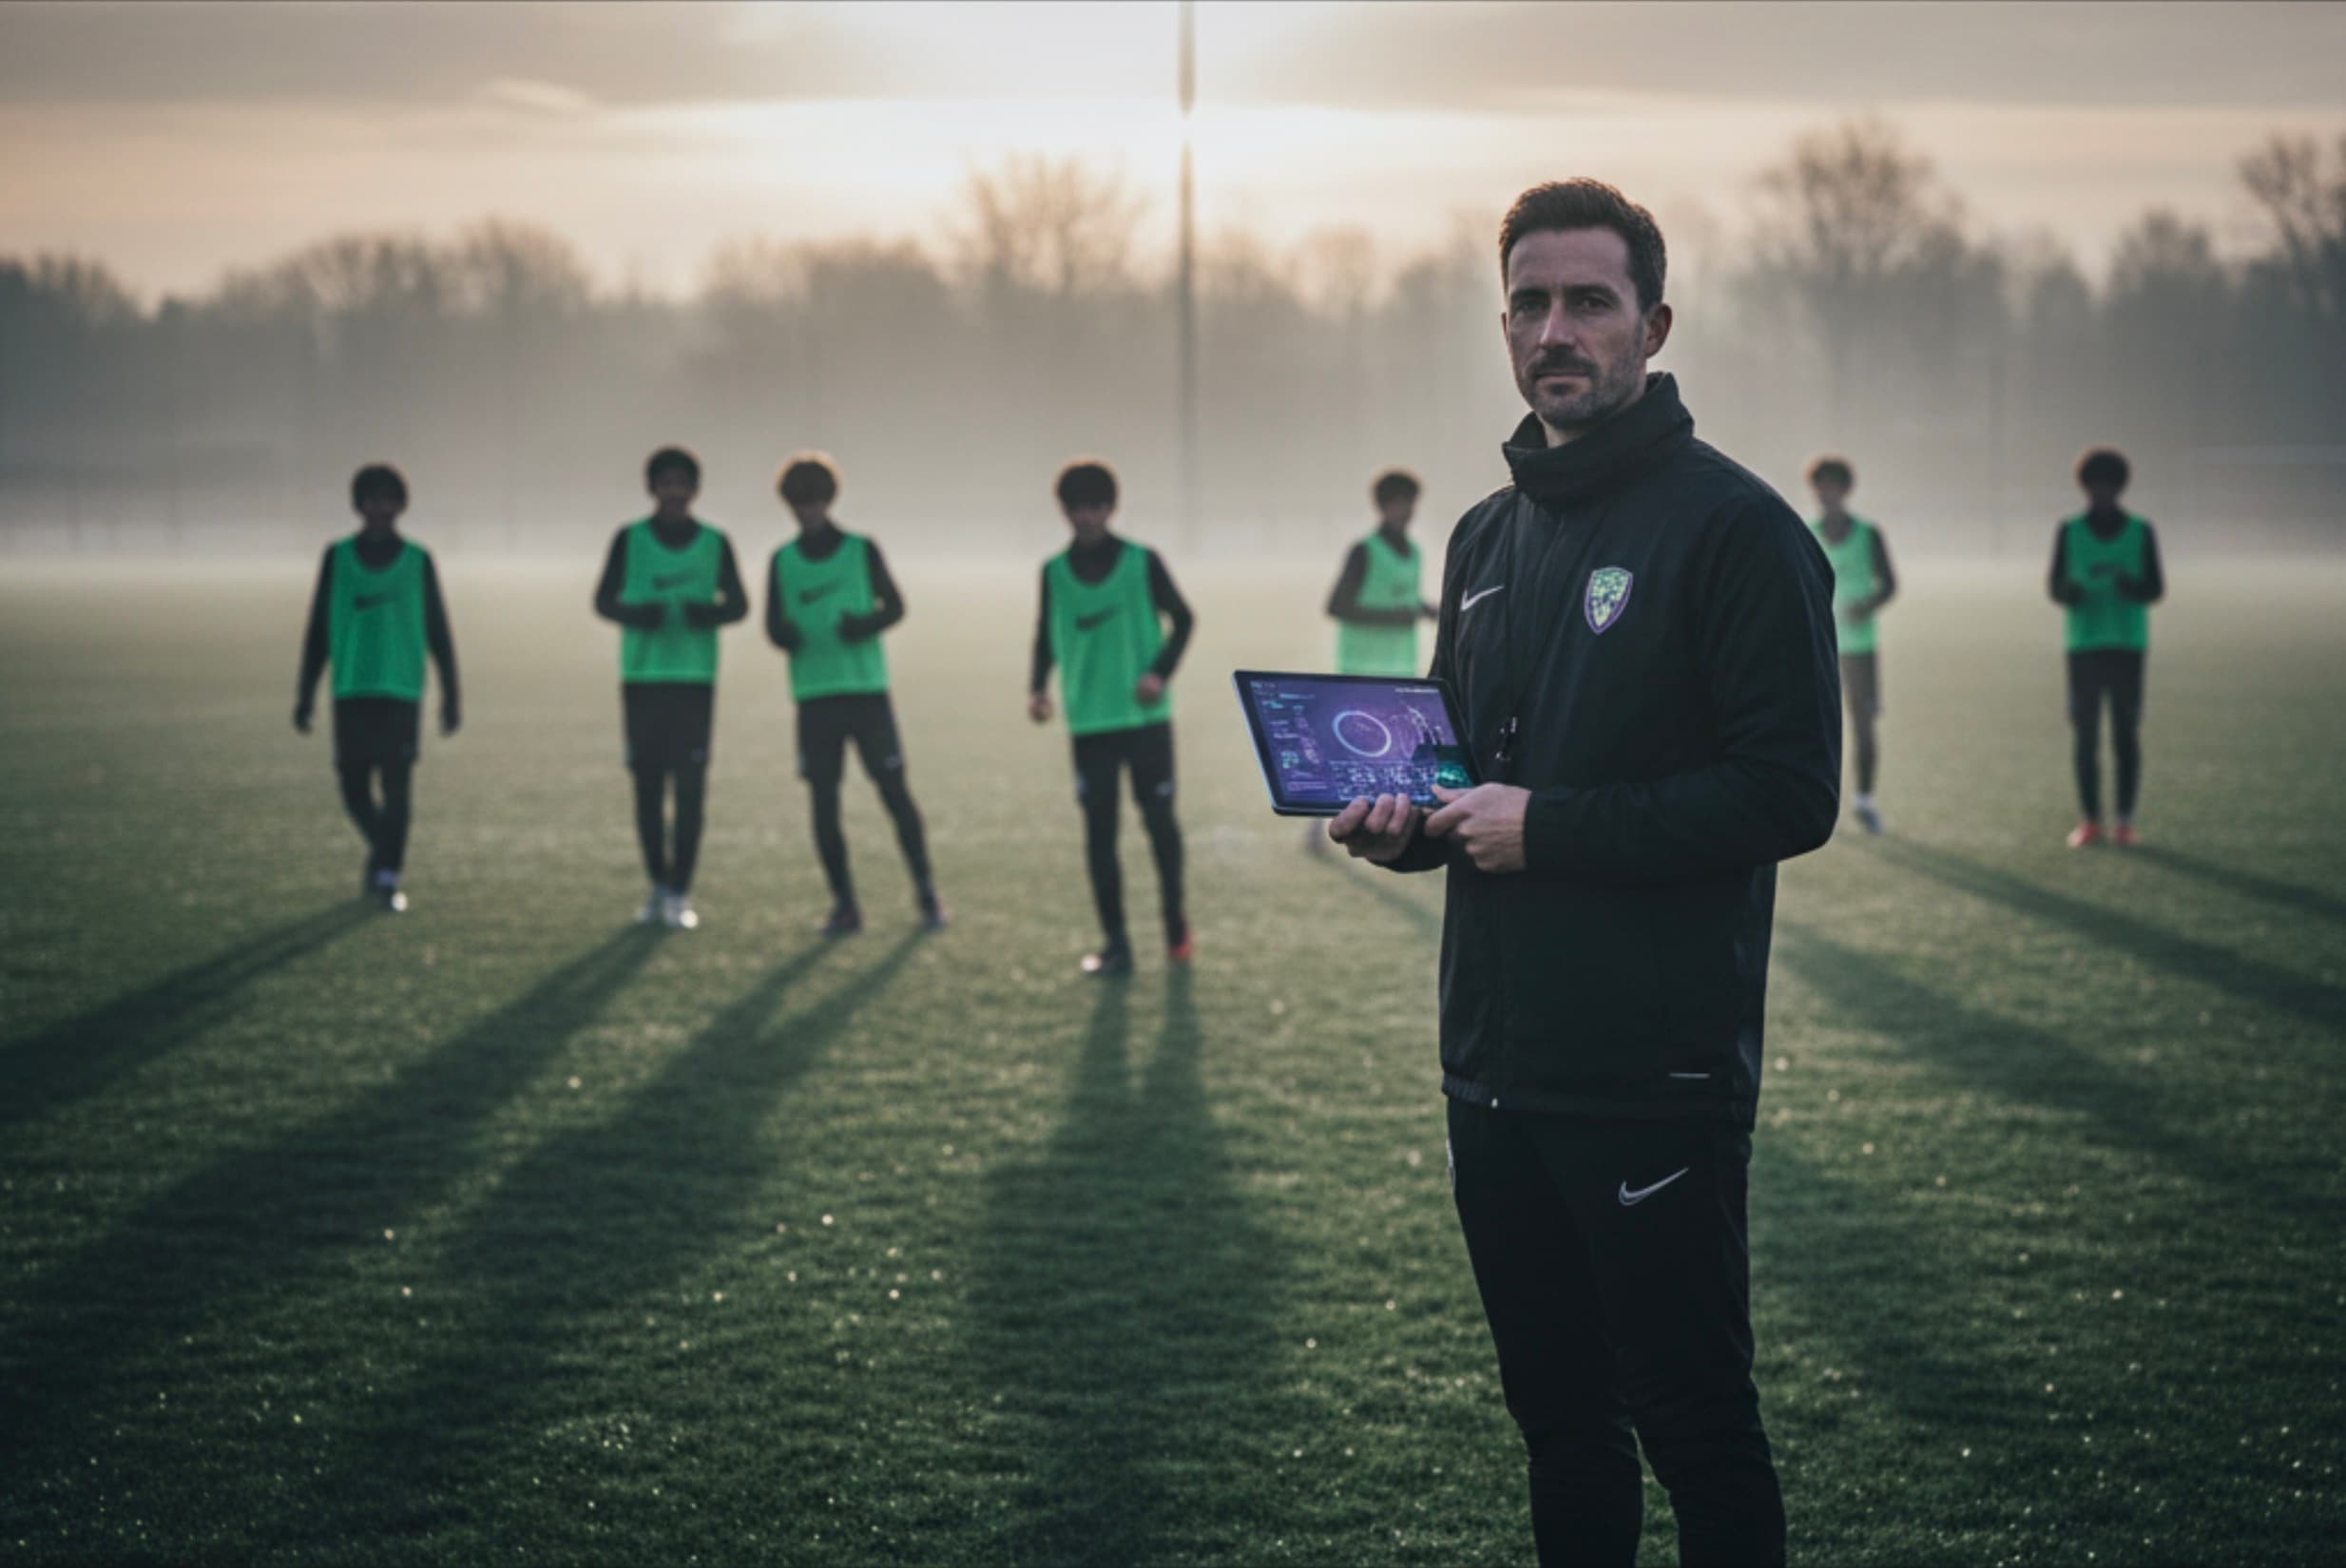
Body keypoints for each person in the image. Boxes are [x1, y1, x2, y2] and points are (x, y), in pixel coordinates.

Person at [1331, 179, 1839, 1567]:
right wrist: (1401, 825)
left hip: (1647, 1077)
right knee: (1560, 1425)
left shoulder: (1735, 529)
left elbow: (1790, 791)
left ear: (1652, 326)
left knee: (1696, 1428)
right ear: (1503, 326)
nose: (1555, 330)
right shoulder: (1483, 536)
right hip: (1492, 1070)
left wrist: (1548, 827)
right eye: (1530, 304)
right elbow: (1464, 774)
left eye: (1589, 302)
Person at [1027, 459, 1196, 978]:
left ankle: (1175, 927)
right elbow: (1045, 634)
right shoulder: (1053, 572)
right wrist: (1037, 688)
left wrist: (1159, 674)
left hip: (1146, 722)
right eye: (1077, 508)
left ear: (1111, 508)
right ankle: (1116, 943)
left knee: (1160, 825)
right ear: (1065, 511)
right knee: (1100, 836)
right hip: (1089, 724)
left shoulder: (1143, 562)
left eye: (1096, 507)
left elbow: (1184, 620)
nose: (1087, 517)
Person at [765, 453, 945, 936]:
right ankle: (844, 904)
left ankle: (927, 893)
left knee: (894, 792)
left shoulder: (861, 550)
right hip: (814, 695)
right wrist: (786, 636)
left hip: (866, 692)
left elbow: (896, 607)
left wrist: (865, 625)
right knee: (824, 802)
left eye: (814, 500)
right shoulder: (782, 561)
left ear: (830, 500)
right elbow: (772, 626)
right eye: (799, 502)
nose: (808, 510)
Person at [294, 463, 461, 913]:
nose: (381, 508)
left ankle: (388, 876)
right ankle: (383, 849)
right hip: (351, 687)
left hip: (400, 689)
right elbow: (318, 628)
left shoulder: (418, 561)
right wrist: (305, 691)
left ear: (401, 505)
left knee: (397, 786)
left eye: (390, 499)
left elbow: (439, 630)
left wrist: (451, 694)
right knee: (353, 790)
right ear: (359, 504)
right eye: (373, 499)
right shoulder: (337, 558)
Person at [592, 446, 748, 928]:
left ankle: (681, 890)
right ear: (652, 488)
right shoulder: (629, 539)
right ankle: (657, 884)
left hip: (694, 681)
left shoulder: (715, 542)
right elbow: (603, 600)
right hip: (642, 679)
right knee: (647, 788)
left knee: (690, 790)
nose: (675, 492)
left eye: (682, 483)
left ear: (696, 490)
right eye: (666, 483)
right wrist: (638, 615)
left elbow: (739, 604)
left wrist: (708, 614)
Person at [1313, 468, 1441, 849]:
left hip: (1400, 667)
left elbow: (1405, 600)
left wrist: (1431, 611)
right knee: (1344, 753)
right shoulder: (1364, 551)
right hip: (1362, 667)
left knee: (1399, 754)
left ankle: (1401, 826)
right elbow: (1336, 605)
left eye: (1411, 503)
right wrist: (1399, 616)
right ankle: (1315, 825)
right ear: (1383, 506)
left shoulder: (1414, 552)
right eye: (1401, 503)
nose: (1408, 510)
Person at [2048, 446, 2163, 848]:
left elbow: (2155, 588)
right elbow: (2054, 586)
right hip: (2083, 646)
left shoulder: (2141, 531)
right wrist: (2071, 593)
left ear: (2119, 487)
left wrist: (2131, 587)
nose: (2101, 492)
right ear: (2085, 487)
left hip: (2127, 645)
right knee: (2085, 736)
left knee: (2125, 734)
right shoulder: (2069, 531)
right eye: (2094, 484)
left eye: (2108, 485)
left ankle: (2125, 820)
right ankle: (2090, 820)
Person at [1805, 456, 1897, 834]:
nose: (1826, 493)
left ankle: (1864, 799)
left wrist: (1867, 605)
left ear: (1845, 490)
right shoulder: (1805, 533)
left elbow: (1889, 584)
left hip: (1860, 648)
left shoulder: (1868, 534)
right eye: (1820, 486)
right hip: (1818, 648)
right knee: (1811, 728)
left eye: (1833, 485)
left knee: (1863, 725)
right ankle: (1813, 800)